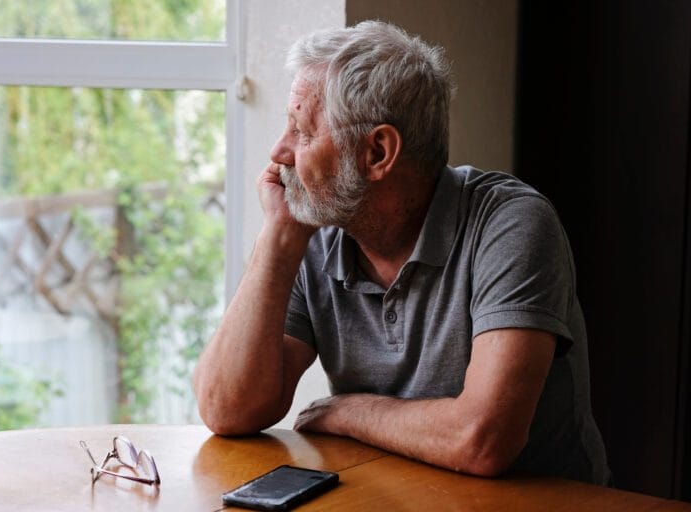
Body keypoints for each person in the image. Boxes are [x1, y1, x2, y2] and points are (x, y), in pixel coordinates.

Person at [193, 20, 611, 484]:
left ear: (378, 153)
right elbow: (226, 409)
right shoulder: (318, 231)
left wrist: (346, 412)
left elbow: (482, 439)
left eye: (302, 130)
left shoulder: (511, 224)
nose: (279, 150)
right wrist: (277, 237)